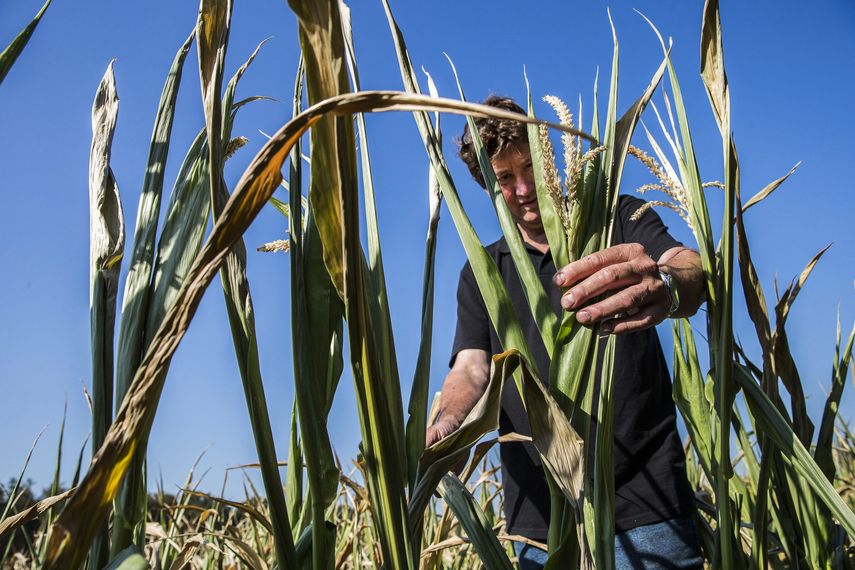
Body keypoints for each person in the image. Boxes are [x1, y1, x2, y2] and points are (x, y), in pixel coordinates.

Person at [425, 96, 706, 569]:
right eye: (504, 178)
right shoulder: (481, 272)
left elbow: (688, 265)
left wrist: (671, 284)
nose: (523, 188)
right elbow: (471, 369)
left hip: (646, 499)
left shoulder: (618, 220)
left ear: (549, 157)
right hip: (540, 522)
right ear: (488, 188)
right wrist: (448, 426)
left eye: (529, 166)